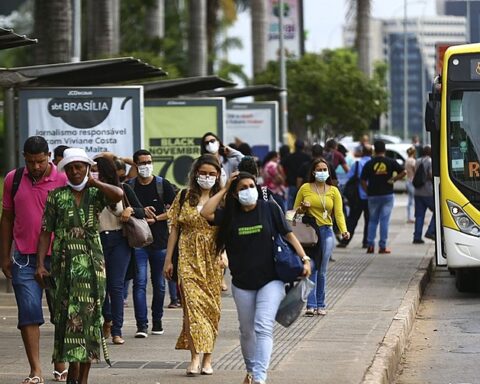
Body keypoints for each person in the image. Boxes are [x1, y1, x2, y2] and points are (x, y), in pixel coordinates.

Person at [201, 171, 311, 384]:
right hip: (242, 283)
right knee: (246, 330)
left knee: (263, 326)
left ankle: (259, 377)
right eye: (242, 188)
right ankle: (251, 371)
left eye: (251, 186)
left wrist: (304, 258)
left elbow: (288, 234)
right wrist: (224, 188)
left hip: (271, 279)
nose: (248, 191)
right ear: (235, 194)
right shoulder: (229, 215)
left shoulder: (269, 208)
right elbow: (205, 213)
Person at [35, 147, 123, 384]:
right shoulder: (56, 195)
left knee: (89, 321)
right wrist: (40, 264)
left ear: (87, 168)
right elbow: (45, 232)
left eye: (80, 167)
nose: (75, 171)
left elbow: (118, 194)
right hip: (63, 266)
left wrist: (95, 183)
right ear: (65, 170)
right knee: (65, 320)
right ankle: (71, 370)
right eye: (71, 168)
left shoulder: (96, 194)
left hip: (92, 267)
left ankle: (82, 378)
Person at [0, 136, 68, 384]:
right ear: (24, 158)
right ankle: (35, 370)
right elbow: (7, 218)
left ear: (49, 156)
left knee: (61, 313)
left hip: (58, 257)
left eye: (40, 161)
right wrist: (4, 255)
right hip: (23, 259)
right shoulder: (13, 179)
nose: (36, 167)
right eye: (31, 162)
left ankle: (60, 362)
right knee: (28, 313)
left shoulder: (63, 179)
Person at [164, 154, 224, 376]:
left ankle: (208, 358)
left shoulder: (223, 199)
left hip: (212, 259)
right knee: (191, 308)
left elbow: (227, 230)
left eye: (211, 174)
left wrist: (225, 254)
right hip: (187, 257)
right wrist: (168, 259)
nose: (206, 177)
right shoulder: (183, 196)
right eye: (203, 173)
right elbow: (174, 229)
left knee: (211, 309)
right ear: (195, 174)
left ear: (218, 176)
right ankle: (195, 357)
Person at [95, 156, 145, 345]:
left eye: (95, 170)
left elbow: (141, 211)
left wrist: (130, 210)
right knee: (100, 286)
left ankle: (117, 330)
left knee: (115, 286)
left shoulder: (123, 189)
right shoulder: (88, 191)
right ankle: (107, 318)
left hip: (119, 240)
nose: (92, 173)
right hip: (97, 240)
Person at [128, 149, 176, 337]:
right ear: (135, 165)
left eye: (149, 162)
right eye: (142, 163)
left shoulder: (162, 184)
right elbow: (124, 209)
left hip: (160, 242)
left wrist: (157, 219)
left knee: (159, 284)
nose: (146, 166)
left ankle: (157, 321)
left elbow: (174, 210)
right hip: (138, 241)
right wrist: (138, 211)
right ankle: (142, 325)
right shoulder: (129, 186)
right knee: (139, 283)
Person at [294, 159, 349, 316]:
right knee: (313, 267)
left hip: (326, 231)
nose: (322, 172)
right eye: (319, 169)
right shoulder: (305, 188)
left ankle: (320, 304)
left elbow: (338, 213)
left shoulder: (333, 190)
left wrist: (344, 230)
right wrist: (303, 208)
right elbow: (294, 212)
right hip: (310, 233)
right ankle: (310, 305)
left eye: (325, 169)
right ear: (313, 172)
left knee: (322, 269)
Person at [360, 140, 406, 254]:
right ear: (385, 150)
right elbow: (404, 172)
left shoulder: (369, 163)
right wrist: (394, 179)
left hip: (373, 196)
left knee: (372, 220)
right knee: (384, 221)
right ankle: (382, 247)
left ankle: (370, 245)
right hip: (387, 195)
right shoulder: (390, 161)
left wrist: (367, 191)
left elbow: (362, 180)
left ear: (374, 150)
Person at [338, 144, 373, 249]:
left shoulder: (357, 164)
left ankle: (345, 241)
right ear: (371, 153)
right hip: (370, 197)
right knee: (369, 220)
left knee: (352, 219)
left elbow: (349, 177)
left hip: (357, 197)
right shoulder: (373, 164)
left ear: (362, 152)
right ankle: (366, 242)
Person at [413, 146, 436, 244]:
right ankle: (430, 231)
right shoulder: (430, 161)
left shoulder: (417, 161)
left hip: (417, 192)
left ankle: (417, 237)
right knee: (438, 211)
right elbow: (430, 174)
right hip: (428, 192)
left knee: (419, 215)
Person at [284, 139, 311, 209]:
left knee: (291, 201)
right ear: (303, 147)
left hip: (292, 183)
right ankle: (300, 218)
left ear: (295, 146)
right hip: (304, 184)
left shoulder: (289, 157)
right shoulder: (307, 157)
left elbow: (283, 167)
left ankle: (290, 218)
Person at [405, 147, 417, 224]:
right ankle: (412, 217)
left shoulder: (406, 160)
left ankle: (409, 216)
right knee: (413, 200)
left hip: (408, 180)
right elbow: (415, 170)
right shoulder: (413, 161)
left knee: (410, 200)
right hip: (413, 180)